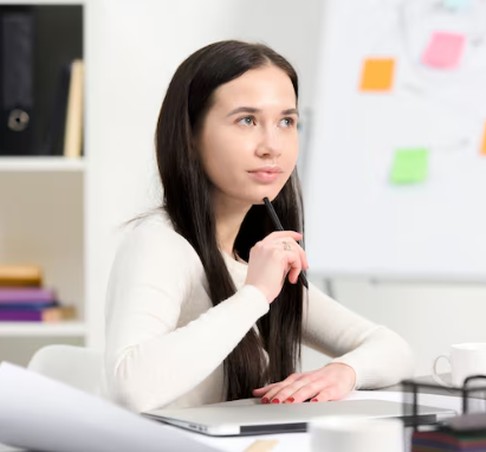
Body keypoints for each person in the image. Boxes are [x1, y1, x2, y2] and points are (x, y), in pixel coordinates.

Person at [103, 40, 415, 413]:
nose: (272, 146)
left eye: (286, 122)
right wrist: (254, 296)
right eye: (247, 120)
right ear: (190, 136)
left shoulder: (252, 259)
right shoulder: (161, 243)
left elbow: (393, 349)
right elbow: (129, 387)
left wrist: (343, 372)